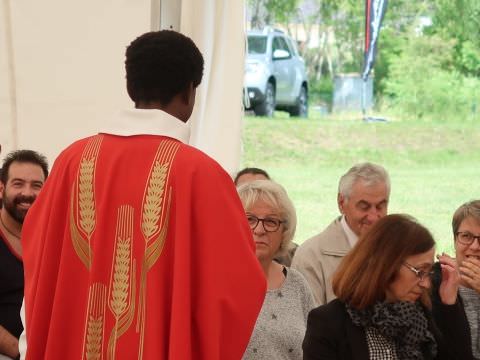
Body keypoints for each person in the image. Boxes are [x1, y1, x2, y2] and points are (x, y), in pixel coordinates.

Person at [21, 30, 266, 360]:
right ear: (190, 91)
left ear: (129, 87)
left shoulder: (71, 162)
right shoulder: (201, 175)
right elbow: (237, 288)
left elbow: (38, 263)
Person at [303, 214, 473, 360]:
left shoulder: (420, 316)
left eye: (428, 272)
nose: (426, 283)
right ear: (386, 265)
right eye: (420, 271)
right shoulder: (328, 323)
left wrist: (449, 302)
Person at [292, 162, 390, 305]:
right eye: (364, 207)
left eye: (381, 206)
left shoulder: (400, 250)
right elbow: (311, 323)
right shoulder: (310, 256)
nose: (373, 216)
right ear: (341, 203)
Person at [237, 180, 315, 360]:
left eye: (271, 221)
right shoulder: (214, 282)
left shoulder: (297, 283)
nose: (259, 229)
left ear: (284, 231)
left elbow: (314, 346)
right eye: (250, 219)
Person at [0, 150, 48, 360]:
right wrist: (20, 353)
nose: (27, 193)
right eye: (18, 184)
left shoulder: (53, 238)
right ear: (1, 189)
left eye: (36, 185)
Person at [432, 200, 480, 359]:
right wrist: (449, 305)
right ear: (454, 239)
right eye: (466, 236)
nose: (474, 247)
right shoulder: (434, 280)